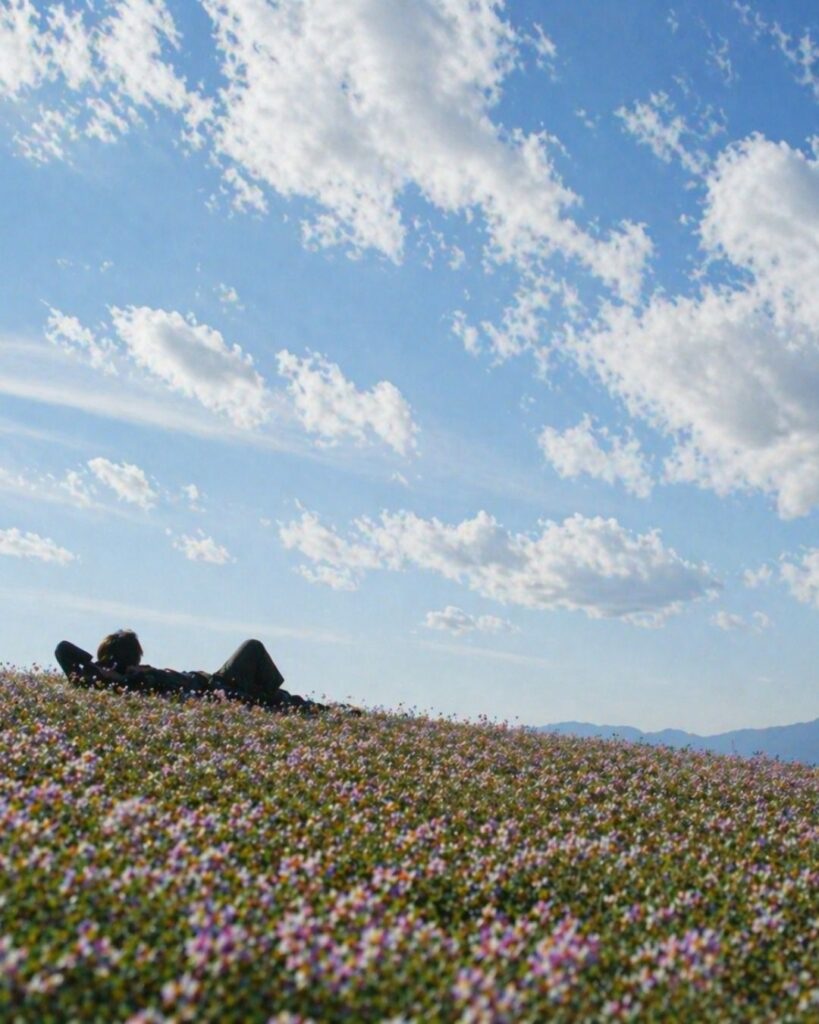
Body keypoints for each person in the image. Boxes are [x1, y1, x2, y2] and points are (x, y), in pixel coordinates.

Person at [54, 630, 325, 713]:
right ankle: (283, 700)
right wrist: (111, 672)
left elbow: (64, 650)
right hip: (218, 688)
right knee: (253, 648)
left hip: (215, 685)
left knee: (277, 698)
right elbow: (64, 650)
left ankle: (282, 699)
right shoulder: (129, 677)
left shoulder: (126, 675)